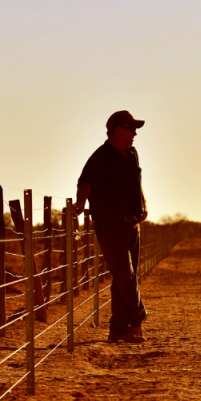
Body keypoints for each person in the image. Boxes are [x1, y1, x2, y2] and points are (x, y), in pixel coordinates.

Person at [75, 110, 148, 344]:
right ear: (118, 131)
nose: (135, 133)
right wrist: (79, 204)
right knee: (125, 276)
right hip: (110, 224)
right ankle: (137, 318)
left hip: (132, 224)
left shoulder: (132, 153)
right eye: (131, 129)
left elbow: (137, 182)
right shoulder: (100, 157)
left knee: (124, 277)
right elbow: (85, 182)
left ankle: (118, 329)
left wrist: (143, 203)